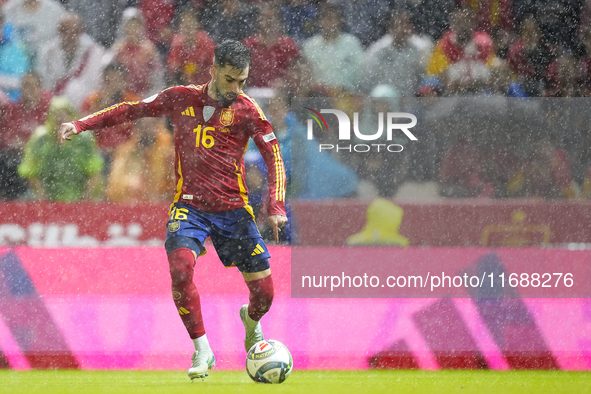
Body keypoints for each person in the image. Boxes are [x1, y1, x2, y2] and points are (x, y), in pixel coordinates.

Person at [57, 40, 287, 380]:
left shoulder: (248, 109)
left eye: (242, 81)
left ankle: (250, 322)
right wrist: (81, 125)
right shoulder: (181, 96)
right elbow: (129, 110)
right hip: (189, 206)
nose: (235, 89)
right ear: (214, 68)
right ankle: (202, 350)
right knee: (180, 269)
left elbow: (274, 155)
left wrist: (276, 204)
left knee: (265, 295)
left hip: (233, 210)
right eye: (230, 80)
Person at [18, 96, 104, 201]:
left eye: (64, 114)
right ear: (50, 117)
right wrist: (42, 196)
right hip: (44, 197)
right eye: (56, 114)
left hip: (79, 197)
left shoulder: (83, 139)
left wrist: (85, 199)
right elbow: (30, 171)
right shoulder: (40, 138)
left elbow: (94, 172)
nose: (60, 118)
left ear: (72, 116)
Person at [36, 13, 105, 111]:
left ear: (81, 32)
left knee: (74, 89)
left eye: (74, 30)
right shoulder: (47, 51)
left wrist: (71, 91)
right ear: (59, 32)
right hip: (53, 103)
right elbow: (43, 80)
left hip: (82, 103)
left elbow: (94, 83)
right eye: (65, 30)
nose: (70, 34)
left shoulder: (93, 51)